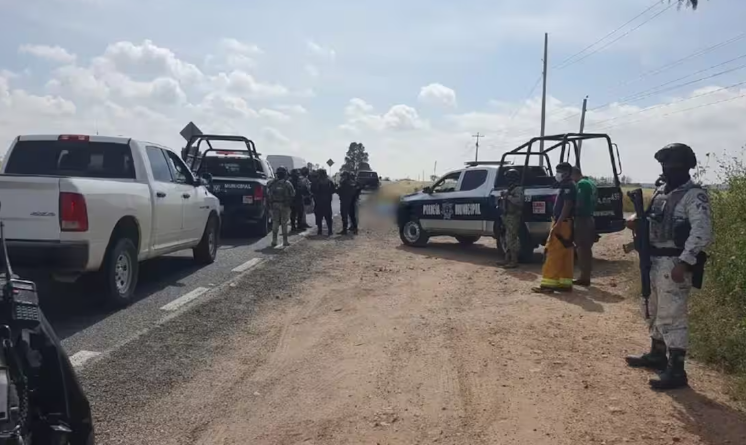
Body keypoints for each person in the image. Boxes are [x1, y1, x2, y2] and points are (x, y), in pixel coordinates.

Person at [625, 143, 712, 390]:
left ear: (685, 167)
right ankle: (657, 353)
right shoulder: (661, 191)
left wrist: (685, 262)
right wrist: (634, 221)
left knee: (672, 314)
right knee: (654, 308)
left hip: (674, 261)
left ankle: (676, 370)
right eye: (665, 166)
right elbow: (650, 218)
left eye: (673, 166)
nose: (667, 170)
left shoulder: (694, 195)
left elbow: (702, 232)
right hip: (654, 259)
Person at [533, 162, 576, 293]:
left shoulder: (568, 186)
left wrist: (558, 223)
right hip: (567, 223)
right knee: (565, 253)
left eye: (559, 172)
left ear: (566, 173)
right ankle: (564, 283)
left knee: (553, 252)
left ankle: (548, 284)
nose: (557, 174)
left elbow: (567, 205)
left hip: (562, 223)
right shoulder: (569, 185)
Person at [571, 167, 597, 286]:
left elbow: (580, 203)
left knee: (582, 248)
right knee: (586, 248)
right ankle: (586, 275)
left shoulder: (581, 184)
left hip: (582, 219)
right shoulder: (591, 182)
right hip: (590, 217)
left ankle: (584, 277)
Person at [497, 168, 524, 268]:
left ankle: (514, 260)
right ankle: (507, 259)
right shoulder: (511, 188)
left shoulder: (518, 189)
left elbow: (519, 202)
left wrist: (508, 197)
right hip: (507, 215)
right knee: (507, 238)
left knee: (511, 238)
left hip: (513, 216)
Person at [267, 166, 295, 247]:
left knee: (275, 222)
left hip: (274, 205)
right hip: (285, 205)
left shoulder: (272, 183)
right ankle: (285, 241)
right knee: (284, 223)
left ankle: (274, 241)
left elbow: (268, 190)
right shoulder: (287, 183)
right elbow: (293, 194)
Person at [310, 168, 335, 236]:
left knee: (319, 217)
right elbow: (333, 190)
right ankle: (330, 231)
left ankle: (320, 230)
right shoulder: (329, 181)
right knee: (328, 217)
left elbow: (312, 190)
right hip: (327, 202)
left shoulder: (316, 181)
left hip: (319, 202)